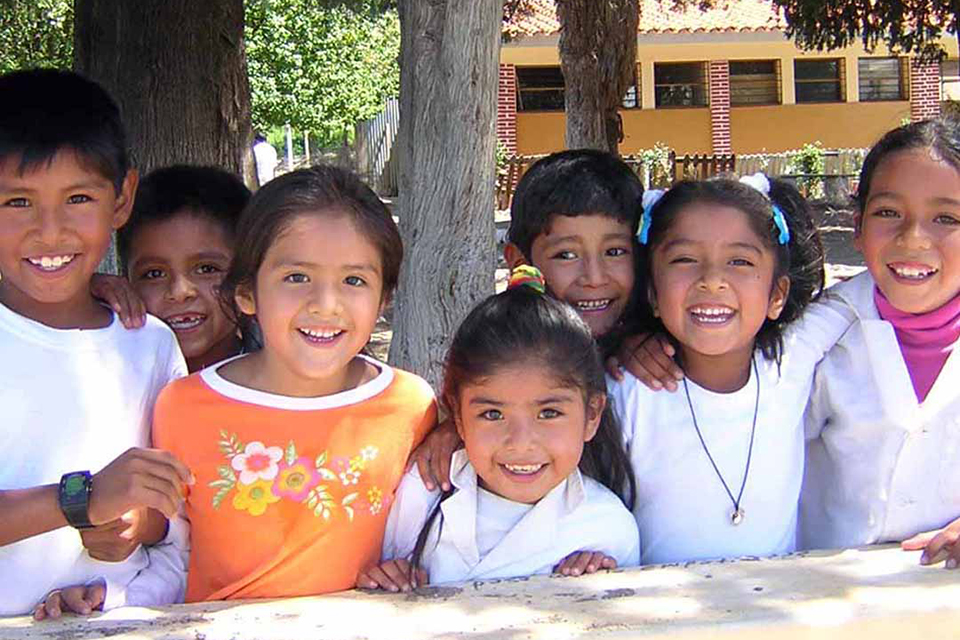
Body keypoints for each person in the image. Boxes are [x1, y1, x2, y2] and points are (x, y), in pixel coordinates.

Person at [151, 165, 436, 602]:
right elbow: (167, 551)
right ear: (246, 293)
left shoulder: (410, 404)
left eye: (354, 280)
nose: (325, 305)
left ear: (384, 299)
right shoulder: (183, 406)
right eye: (296, 277)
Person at [0, 69, 192, 619]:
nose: (50, 231)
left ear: (122, 198)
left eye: (79, 197)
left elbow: (176, 509)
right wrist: (79, 500)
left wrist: (139, 523)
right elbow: (93, 495)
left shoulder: (149, 345)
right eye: (17, 202)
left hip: (114, 621)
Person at [607, 175, 852, 565]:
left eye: (740, 261)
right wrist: (616, 343)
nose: (712, 281)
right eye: (685, 260)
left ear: (776, 295)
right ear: (652, 293)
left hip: (774, 615)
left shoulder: (792, 361)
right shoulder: (627, 389)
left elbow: (872, 289)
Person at [357, 267, 638, 591]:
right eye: (492, 414)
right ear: (458, 417)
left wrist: (591, 589)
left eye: (549, 412)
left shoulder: (606, 528)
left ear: (591, 415)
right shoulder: (423, 492)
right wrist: (384, 583)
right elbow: (381, 593)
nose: (521, 442)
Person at [414, 149, 646, 492]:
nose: (594, 277)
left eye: (615, 252)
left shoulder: (655, 358)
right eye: (566, 255)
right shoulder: (496, 344)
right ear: (519, 260)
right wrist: (459, 429)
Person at [800, 117, 960, 565]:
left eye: (946, 218)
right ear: (857, 225)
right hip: (819, 594)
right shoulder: (817, 337)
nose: (912, 239)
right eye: (889, 213)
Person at [110, 165, 251, 372]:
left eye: (206, 269)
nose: (180, 292)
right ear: (127, 280)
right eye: (154, 274)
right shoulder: (112, 376)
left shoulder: (286, 384)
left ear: (248, 275)